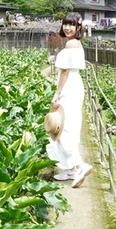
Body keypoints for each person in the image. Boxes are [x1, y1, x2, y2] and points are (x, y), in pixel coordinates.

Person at [48, 12, 92, 188]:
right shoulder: (76, 43)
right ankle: (71, 169)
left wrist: (57, 93)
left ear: (78, 27)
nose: (67, 28)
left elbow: (65, 71)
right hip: (74, 84)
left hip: (69, 86)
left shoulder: (71, 43)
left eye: (71, 25)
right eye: (65, 24)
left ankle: (80, 166)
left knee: (63, 128)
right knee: (68, 126)